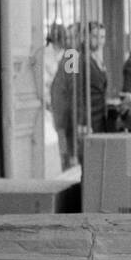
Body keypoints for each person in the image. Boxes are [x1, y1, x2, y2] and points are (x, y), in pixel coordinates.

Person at [50, 22, 107, 165]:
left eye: (102, 37)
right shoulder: (72, 55)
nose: (99, 41)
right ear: (84, 36)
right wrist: (80, 120)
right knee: (74, 160)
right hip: (74, 119)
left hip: (89, 117)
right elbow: (72, 89)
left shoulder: (93, 56)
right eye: (94, 36)